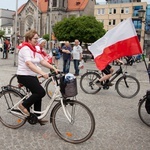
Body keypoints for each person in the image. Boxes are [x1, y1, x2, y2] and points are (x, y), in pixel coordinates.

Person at [16, 30, 58, 125]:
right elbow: (29, 64)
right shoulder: (25, 49)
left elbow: (42, 61)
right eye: (35, 38)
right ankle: (22, 106)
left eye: (37, 38)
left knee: (38, 93)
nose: (37, 40)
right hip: (24, 75)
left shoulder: (34, 49)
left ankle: (36, 116)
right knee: (40, 92)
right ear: (29, 39)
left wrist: (53, 68)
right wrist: (42, 73)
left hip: (31, 75)